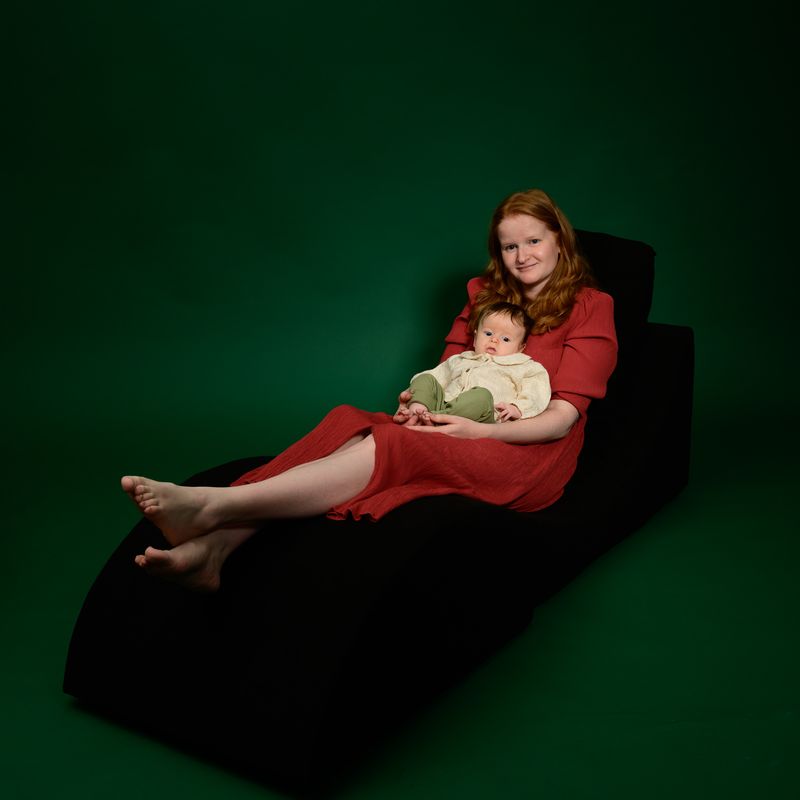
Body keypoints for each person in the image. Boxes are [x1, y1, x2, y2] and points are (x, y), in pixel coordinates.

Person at [122, 188, 618, 592]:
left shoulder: (591, 306)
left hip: (530, 449)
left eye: (533, 241)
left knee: (395, 445)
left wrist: (478, 433)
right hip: (460, 416)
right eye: (510, 247)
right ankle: (213, 551)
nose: (522, 256)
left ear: (559, 240)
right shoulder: (484, 296)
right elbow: (449, 370)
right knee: (351, 422)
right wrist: (419, 405)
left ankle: (213, 506)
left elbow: (562, 418)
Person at [402, 301, 550, 424]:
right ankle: (417, 412)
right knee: (426, 378)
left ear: (520, 348)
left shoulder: (525, 367)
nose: (494, 340)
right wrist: (415, 393)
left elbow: (537, 391)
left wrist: (518, 407)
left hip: (484, 413)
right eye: (488, 333)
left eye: (505, 339)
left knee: (481, 396)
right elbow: (437, 377)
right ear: (475, 338)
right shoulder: (460, 359)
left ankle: (435, 418)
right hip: (443, 404)